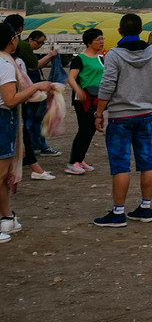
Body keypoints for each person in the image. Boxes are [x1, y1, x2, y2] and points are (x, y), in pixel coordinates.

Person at [92, 14, 152, 227]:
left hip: (120, 117)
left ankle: (118, 213)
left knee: (120, 165)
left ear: (120, 31)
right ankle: (145, 207)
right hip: (144, 115)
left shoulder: (114, 55)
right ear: (141, 30)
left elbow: (107, 86)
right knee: (146, 161)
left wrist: (99, 113)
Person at [0, 22, 58, 242]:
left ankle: (7, 217)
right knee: (1, 175)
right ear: (11, 40)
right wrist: (36, 87)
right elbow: (10, 100)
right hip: (4, 120)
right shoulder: (6, 66)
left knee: (3, 176)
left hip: (6, 121)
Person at [65, 28, 106, 175]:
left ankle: (80, 159)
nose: (101, 42)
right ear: (89, 42)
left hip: (96, 98)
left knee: (91, 129)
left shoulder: (101, 58)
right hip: (83, 99)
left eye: (102, 39)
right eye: (98, 39)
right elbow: (71, 78)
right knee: (84, 129)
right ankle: (73, 162)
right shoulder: (79, 59)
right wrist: (78, 90)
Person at [19, 28, 60, 156]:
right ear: (30, 39)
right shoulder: (25, 52)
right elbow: (35, 65)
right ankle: (39, 146)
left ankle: (33, 146)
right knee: (34, 120)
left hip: (31, 91)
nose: (40, 46)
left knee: (32, 120)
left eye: (42, 43)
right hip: (31, 92)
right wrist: (50, 56)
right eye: (38, 42)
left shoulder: (25, 51)